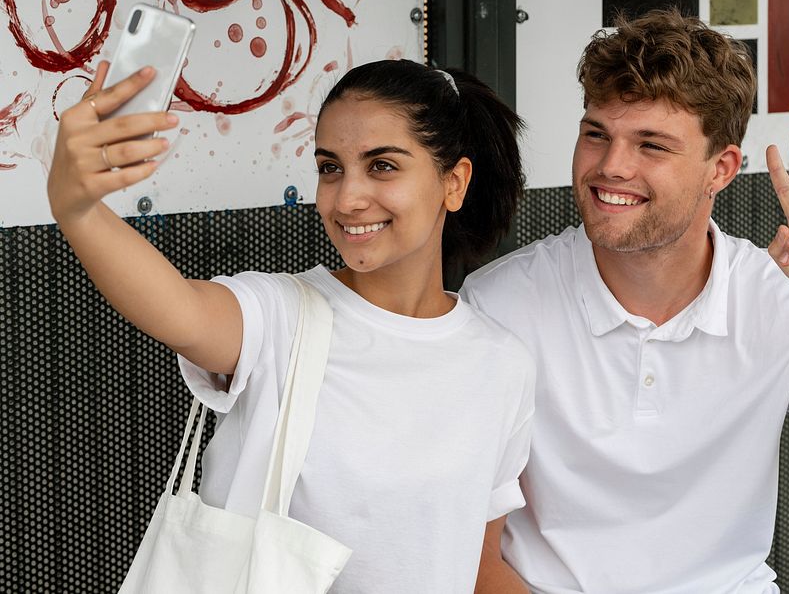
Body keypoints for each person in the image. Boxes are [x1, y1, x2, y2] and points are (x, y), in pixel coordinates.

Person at [465, 9, 789, 593]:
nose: (611, 166)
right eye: (597, 133)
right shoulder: (498, 304)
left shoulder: (782, 300)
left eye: (652, 145)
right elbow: (470, 559)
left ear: (720, 168)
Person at [47, 58, 535, 592]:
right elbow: (178, 308)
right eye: (330, 167)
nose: (346, 199)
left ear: (454, 182)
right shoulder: (280, 315)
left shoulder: (502, 364)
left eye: (382, 166)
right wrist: (78, 209)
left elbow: (480, 566)